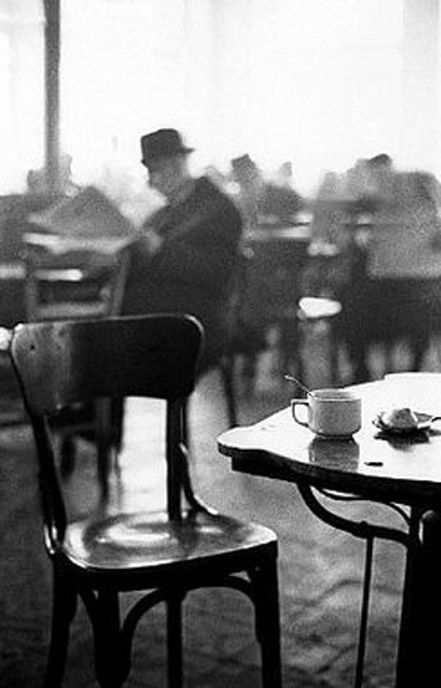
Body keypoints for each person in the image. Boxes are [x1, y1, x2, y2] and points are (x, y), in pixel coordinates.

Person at [122, 128, 244, 368]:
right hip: (167, 309)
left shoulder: (218, 209)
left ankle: (95, 395)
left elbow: (217, 273)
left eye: (154, 171)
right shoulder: (163, 214)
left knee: (103, 331)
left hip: (197, 318)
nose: (151, 182)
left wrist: (159, 249)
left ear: (176, 166)